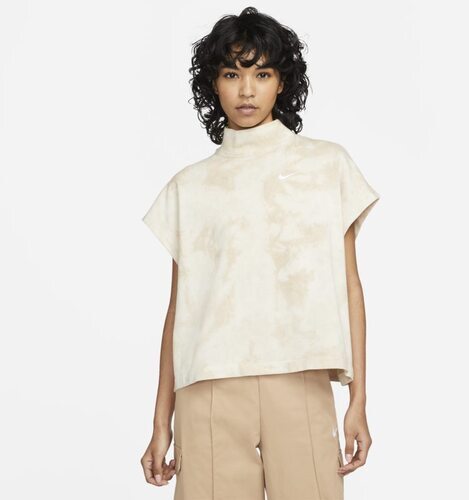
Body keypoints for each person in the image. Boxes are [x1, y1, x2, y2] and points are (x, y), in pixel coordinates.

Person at [140, 7, 380, 500]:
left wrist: (358, 399)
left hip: (301, 382)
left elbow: (350, 287)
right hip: (208, 392)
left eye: (262, 74)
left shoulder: (326, 166)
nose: (247, 90)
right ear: (213, 83)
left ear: (282, 82)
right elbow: (179, 310)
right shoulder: (190, 187)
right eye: (232, 74)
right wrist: (161, 422)